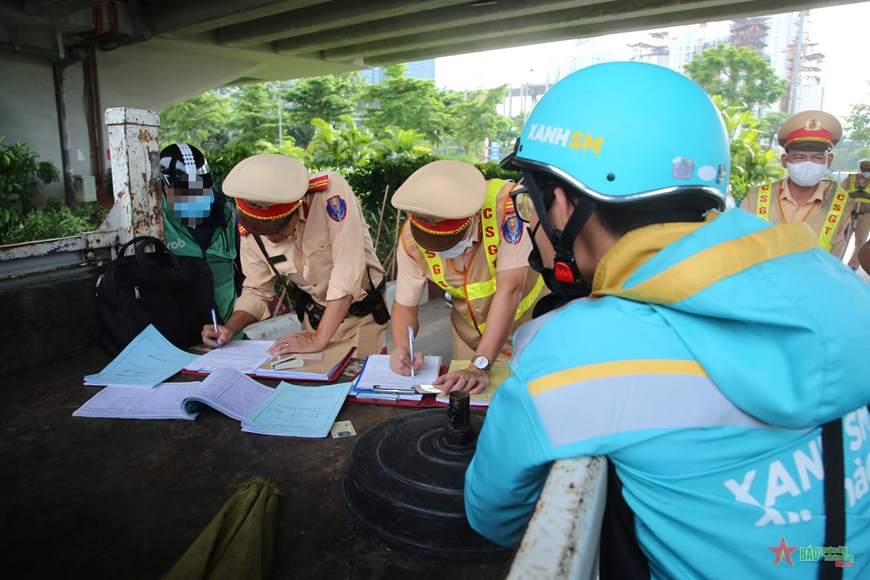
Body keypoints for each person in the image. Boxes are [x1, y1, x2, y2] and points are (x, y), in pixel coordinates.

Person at [464, 62, 870, 578]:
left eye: (532, 201)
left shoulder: (572, 346)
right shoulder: (841, 289)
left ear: (560, 206)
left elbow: (492, 513)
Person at [201, 154, 389, 358]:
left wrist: (318, 339)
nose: (270, 236)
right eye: (261, 229)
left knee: (353, 384)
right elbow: (257, 290)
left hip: (361, 318)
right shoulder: (252, 232)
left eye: (277, 227)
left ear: (296, 206)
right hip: (314, 318)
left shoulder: (329, 194)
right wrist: (229, 328)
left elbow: (346, 275)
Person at [388, 160, 546, 394]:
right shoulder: (411, 239)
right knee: (465, 407)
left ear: (473, 217)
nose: (440, 252)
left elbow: (510, 289)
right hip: (469, 340)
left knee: (528, 404)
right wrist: (402, 348)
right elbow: (405, 306)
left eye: (449, 241)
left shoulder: (509, 209)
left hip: (530, 334)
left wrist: (480, 365)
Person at [740, 110, 854, 259]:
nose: (808, 164)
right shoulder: (755, 198)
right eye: (799, 157)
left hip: (812, 281)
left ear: (829, 161)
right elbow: (739, 250)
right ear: (785, 161)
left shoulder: (841, 205)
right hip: (761, 280)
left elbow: (835, 262)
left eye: (817, 157)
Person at [160, 143, 238, 325]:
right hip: (182, 333)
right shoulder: (157, 223)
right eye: (184, 190)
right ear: (164, 188)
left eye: (199, 188)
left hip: (231, 330)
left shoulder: (228, 215)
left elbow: (247, 273)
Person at [842, 159, 870, 269]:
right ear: (860, 169)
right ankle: (836, 263)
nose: (866, 172)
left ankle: (853, 266)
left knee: (861, 241)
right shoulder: (850, 179)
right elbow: (839, 192)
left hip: (866, 215)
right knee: (843, 238)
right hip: (849, 214)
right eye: (864, 169)